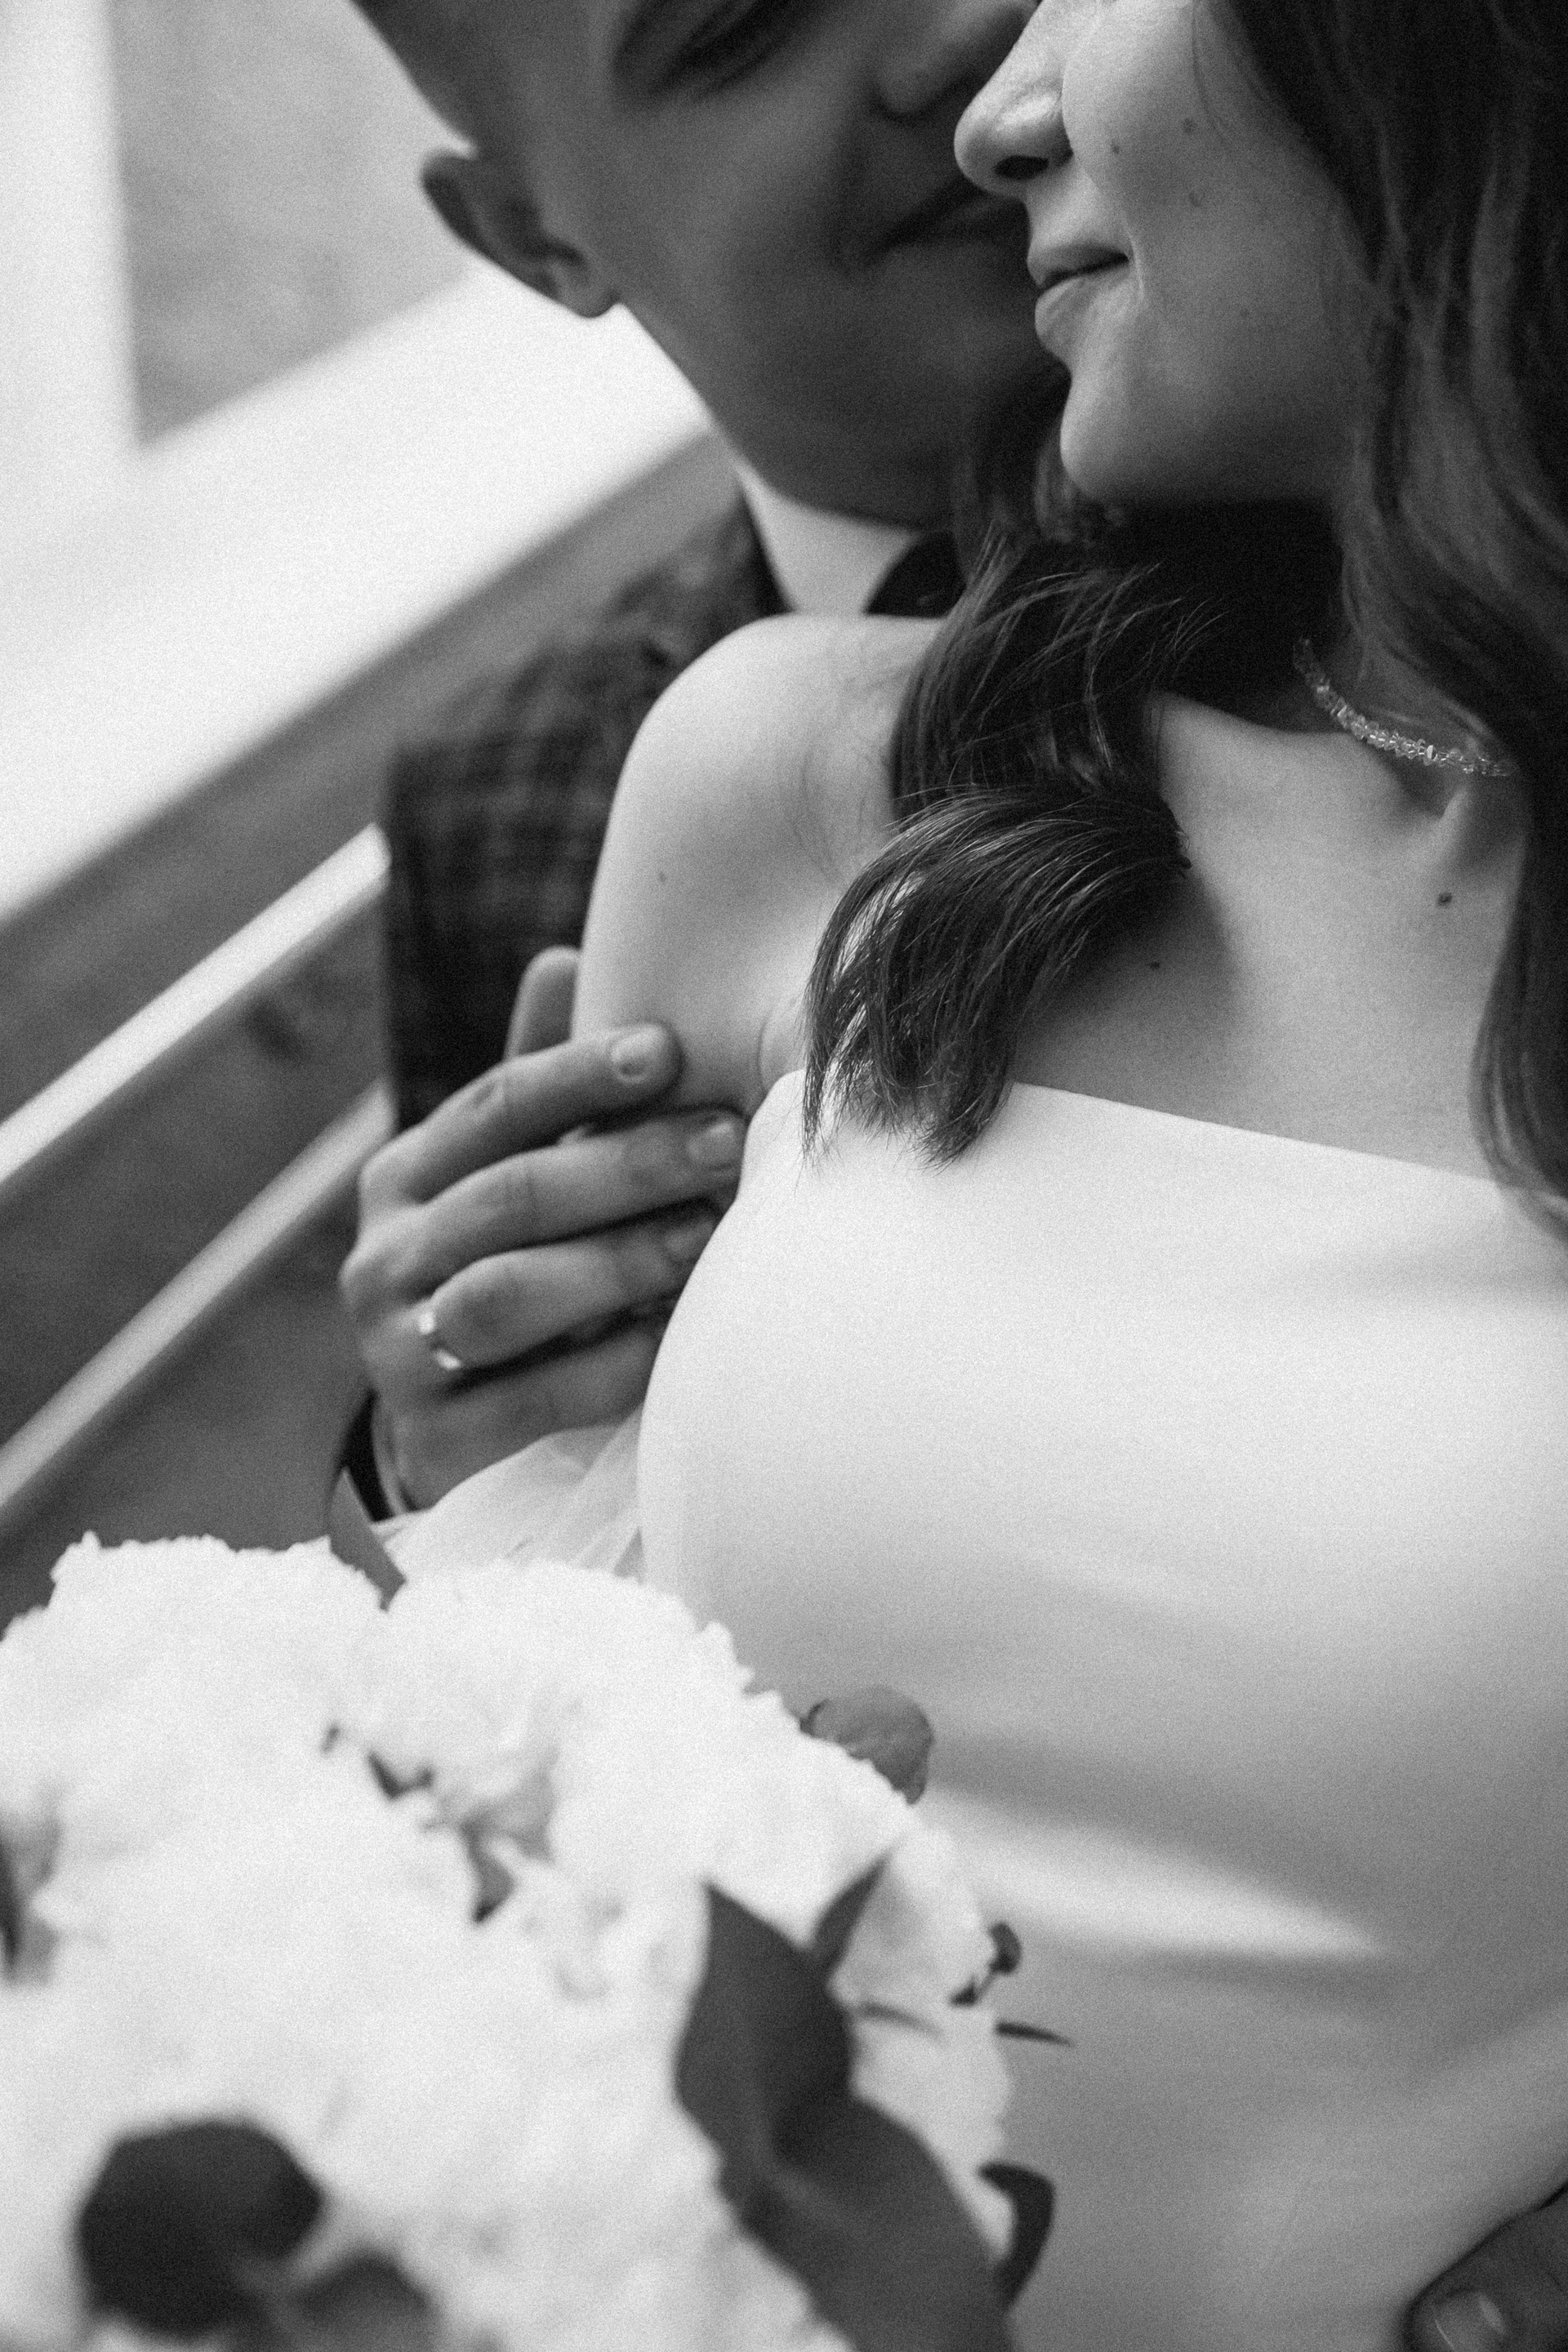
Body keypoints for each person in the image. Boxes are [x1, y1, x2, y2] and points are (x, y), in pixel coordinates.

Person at [393, 0, 1568, 2343]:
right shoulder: (792, 778)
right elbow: (545, 1692)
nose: (989, 94)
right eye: (738, 29)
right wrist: (458, 1444)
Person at [339, 0, 1058, 1513]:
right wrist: (436, 1453)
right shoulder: (497, 800)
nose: (962, 30)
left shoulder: (1470, 564)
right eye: (746, 26)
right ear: (532, 236)